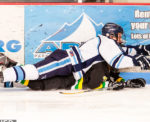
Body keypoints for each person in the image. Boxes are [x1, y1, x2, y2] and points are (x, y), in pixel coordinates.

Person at [0, 23, 148, 90]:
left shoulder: (112, 46)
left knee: (39, 84)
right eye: (119, 36)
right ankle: (3, 74)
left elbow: (128, 51)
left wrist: (144, 50)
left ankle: (10, 67)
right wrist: (140, 61)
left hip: (72, 70)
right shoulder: (106, 41)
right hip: (66, 60)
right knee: (36, 72)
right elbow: (118, 60)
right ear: (111, 35)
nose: (121, 39)